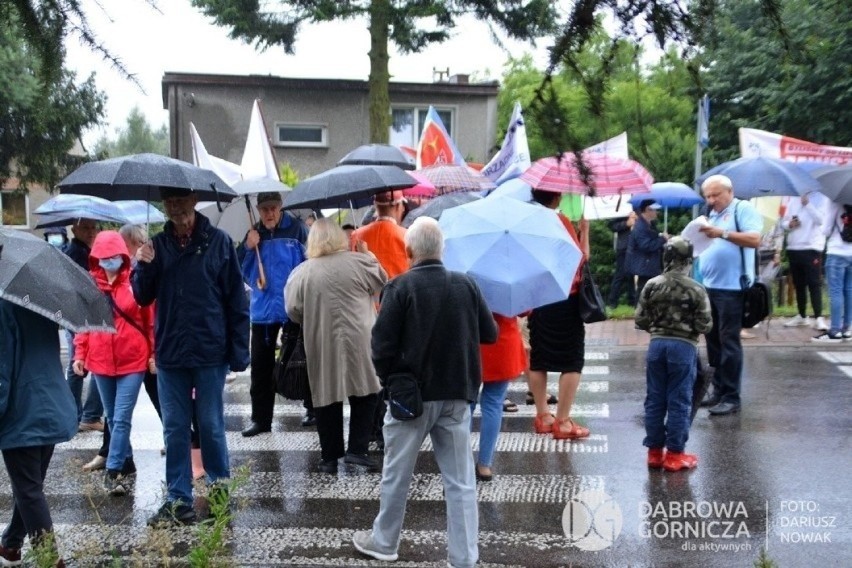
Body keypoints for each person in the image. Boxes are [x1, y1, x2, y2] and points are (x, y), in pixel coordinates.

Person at [352, 217, 497, 567]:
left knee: (397, 475)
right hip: (457, 393)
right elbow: (489, 334)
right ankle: (463, 558)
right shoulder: (467, 285)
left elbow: (380, 346)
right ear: (442, 250)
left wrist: (390, 382)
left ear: (409, 250)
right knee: (461, 481)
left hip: (409, 397)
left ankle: (385, 542)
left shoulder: (400, 287)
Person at [132, 187, 250, 526]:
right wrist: (142, 266)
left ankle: (218, 493)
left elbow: (236, 301)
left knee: (211, 425)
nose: (176, 210)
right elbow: (142, 297)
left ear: (194, 203)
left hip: (210, 350)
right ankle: (178, 499)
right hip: (171, 352)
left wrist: (239, 351)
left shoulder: (219, 242)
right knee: (174, 429)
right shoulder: (158, 245)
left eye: (181, 203)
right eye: (170, 204)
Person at [284, 219, 387, 473]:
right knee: (366, 390)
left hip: (322, 338)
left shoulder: (302, 272)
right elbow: (382, 282)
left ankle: (329, 456)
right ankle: (357, 450)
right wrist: (367, 254)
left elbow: (293, 310)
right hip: (360, 337)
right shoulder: (360, 262)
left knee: (325, 394)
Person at [72, 231, 155, 496]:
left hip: (133, 360)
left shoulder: (134, 282)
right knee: (113, 417)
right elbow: (83, 326)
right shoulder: (91, 288)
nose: (109, 262)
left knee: (120, 418)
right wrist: (80, 355)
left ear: (122, 256)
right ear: (96, 258)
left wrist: (153, 354)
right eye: (104, 258)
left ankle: (113, 469)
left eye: (114, 257)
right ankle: (126, 460)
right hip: (101, 362)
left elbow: (149, 321)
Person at [0, 299, 76, 567]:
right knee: (30, 487)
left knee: (29, 490)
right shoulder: (38, 302)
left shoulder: (3, 306)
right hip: (51, 403)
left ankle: (50, 559)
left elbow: (2, 371)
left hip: (23, 411)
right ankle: (11, 545)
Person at [635, 237, 712, 471]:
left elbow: (640, 319)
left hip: (656, 346)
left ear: (666, 258)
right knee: (679, 400)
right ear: (688, 260)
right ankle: (675, 454)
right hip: (683, 347)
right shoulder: (696, 289)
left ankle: (655, 452)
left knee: (655, 399)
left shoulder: (651, 285)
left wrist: (659, 328)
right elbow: (705, 324)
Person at [238, 191, 309, 436]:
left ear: (281, 207)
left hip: (293, 308)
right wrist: (248, 248)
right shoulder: (252, 234)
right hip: (262, 311)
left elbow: (309, 262)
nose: (269, 213)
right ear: (258, 210)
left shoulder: (297, 230)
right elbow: (239, 269)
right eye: (264, 209)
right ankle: (261, 419)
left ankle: (311, 407)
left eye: (273, 208)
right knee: (260, 367)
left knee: (303, 359)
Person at [527, 190, 591, 440]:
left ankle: (543, 416)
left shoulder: (527, 221)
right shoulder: (560, 220)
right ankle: (563, 421)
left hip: (538, 297)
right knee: (572, 360)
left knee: (539, 358)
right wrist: (584, 231)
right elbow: (579, 259)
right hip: (565, 296)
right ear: (556, 197)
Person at [697, 175, 762, 416]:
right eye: (708, 196)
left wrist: (722, 234)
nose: (712, 200)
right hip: (710, 286)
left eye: (716, 195)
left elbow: (755, 239)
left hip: (733, 288)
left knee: (729, 342)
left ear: (729, 191)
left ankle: (732, 397)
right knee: (712, 340)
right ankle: (718, 391)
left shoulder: (741, 208)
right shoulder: (711, 213)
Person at [63, 218, 105, 434]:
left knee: (78, 365)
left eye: (93, 227)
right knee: (86, 364)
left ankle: (79, 415)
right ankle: (85, 415)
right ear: (74, 229)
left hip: (82, 316)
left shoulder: (86, 250)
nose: (91, 231)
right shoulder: (76, 254)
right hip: (83, 316)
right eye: (85, 228)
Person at [474, 313, 526, 481]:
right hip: (501, 342)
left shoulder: (468, 285)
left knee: (465, 406)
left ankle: (462, 462)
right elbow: (525, 309)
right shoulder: (508, 285)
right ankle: (484, 464)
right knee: (493, 405)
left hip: (471, 343)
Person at [781, 192, 828, 331]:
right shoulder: (791, 198)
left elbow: (821, 220)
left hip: (812, 246)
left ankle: (819, 317)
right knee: (798, 283)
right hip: (794, 246)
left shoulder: (821, 198)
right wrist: (789, 224)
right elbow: (783, 222)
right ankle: (802, 315)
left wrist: (807, 204)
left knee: (814, 283)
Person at [812, 202, 852, 342]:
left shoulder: (835, 201)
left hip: (837, 252)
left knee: (836, 291)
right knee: (849, 291)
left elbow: (826, 230)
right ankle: (847, 329)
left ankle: (835, 329)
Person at [349, 190, 408, 279]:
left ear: (375, 206)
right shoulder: (407, 235)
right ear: (398, 206)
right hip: (399, 291)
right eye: (403, 205)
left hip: (367, 291)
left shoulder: (356, 235)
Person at [626, 200, 668, 300]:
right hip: (644, 265)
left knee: (648, 292)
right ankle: (639, 312)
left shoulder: (648, 224)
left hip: (648, 264)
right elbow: (646, 246)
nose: (656, 212)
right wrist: (662, 239)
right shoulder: (640, 226)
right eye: (654, 210)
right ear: (647, 210)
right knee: (643, 292)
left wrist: (661, 237)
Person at [606, 212, 637, 307]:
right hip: (624, 247)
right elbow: (612, 226)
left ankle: (633, 301)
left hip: (638, 246)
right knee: (620, 274)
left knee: (632, 274)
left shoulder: (640, 208)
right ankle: (612, 302)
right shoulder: (622, 209)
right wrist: (626, 223)